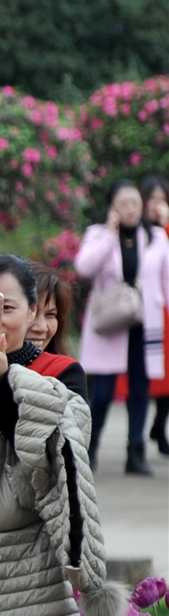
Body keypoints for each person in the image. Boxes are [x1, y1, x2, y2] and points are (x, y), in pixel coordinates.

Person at [0, 252, 122, 616]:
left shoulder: (59, 373)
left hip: (24, 567)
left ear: (31, 313)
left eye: (6, 307)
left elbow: (47, 459)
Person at [75, 178, 168, 475]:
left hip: (144, 323)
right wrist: (109, 235)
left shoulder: (155, 236)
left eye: (134, 203)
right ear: (112, 207)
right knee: (102, 393)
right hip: (110, 324)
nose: (130, 209)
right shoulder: (98, 234)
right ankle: (90, 450)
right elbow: (84, 267)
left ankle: (135, 452)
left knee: (140, 390)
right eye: (123, 203)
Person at [142, 178, 169, 458]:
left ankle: (159, 426)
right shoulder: (138, 233)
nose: (156, 204)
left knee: (167, 376)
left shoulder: (164, 232)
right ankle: (149, 432)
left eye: (162, 198)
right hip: (145, 313)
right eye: (153, 198)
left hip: (164, 310)